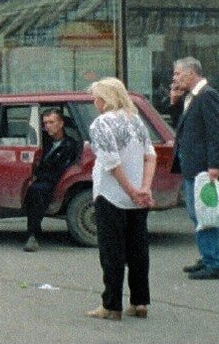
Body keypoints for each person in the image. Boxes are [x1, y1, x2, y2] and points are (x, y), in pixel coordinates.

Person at [85, 77, 155, 320]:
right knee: (138, 251)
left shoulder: (101, 124)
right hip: (138, 198)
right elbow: (150, 157)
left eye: (96, 97)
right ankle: (140, 302)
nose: (94, 101)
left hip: (111, 195)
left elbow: (112, 163)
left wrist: (130, 191)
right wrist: (143, 189)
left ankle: (111, 305)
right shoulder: (136, 121)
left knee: (112, 253)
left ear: (105, 99)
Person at [170, 56, 219, 280]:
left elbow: (217, 132)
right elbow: (182, 127)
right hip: (191, 165)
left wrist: (216, 164)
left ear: (191, 72)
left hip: (203, 167)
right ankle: (207, 256)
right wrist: (175, 102)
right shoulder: (191, 97)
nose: (174, 79)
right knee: (196, 214)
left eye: (177, 74)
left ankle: (215, 263)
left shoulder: (208, 96)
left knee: (204, 215)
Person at [22, 108, 82, 251]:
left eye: (51, 122)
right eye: (45, 123)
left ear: (61, 123)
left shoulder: (70, 145)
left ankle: (33, 235)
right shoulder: (44, 142)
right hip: (41, 179)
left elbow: (60, 170)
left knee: (37, 191)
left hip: (55, 182)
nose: (47, 126)